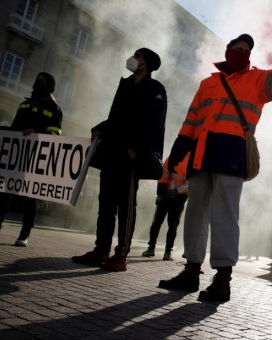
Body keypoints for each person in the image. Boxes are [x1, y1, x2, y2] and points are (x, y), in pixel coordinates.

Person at [158, 27, 272, 302]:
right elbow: (192, 120)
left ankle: (222, 279)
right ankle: (191, 270)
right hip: (200, 154)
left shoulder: (258, 79)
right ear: (227, 50)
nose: (242, 52)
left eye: (247, 50)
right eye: (238, 47)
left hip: (231, 156)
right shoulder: (207, 83)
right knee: (195, 214)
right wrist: (178, 149)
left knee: (224, 216)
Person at [72, 48, 167, 272]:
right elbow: (115, 116)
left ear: (148, 64)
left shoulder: (156, 89)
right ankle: (100, 250)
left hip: (132, 155)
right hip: (112, 151)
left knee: (126, 206)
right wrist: (100, 128)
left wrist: (137, 148)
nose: (134, 59)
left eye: (139, 56)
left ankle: (121, 255)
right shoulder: (124, 84)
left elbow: (155, 122)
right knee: (106, 203)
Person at [0, 72, 62, 246]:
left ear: (50, 86)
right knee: (4, 191)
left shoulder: (53, 108)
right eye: (37, 80)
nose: (39, 83)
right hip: (14, 155)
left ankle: (24, 235)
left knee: (30, 195)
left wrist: (36, 132)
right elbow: (13, 129)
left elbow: (54, 134)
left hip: (34, 158)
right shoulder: (25, 104)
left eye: (43, 81)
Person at [141, 154, 189, 261]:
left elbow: (163, 174)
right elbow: (190, 183)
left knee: (157, 222)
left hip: (167, 195)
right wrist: (177, 191)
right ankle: (167, 253)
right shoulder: (192, 160)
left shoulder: (173, 156)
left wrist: (161, 193)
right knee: (172, 225)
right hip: (178, 197)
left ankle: (151, 249)